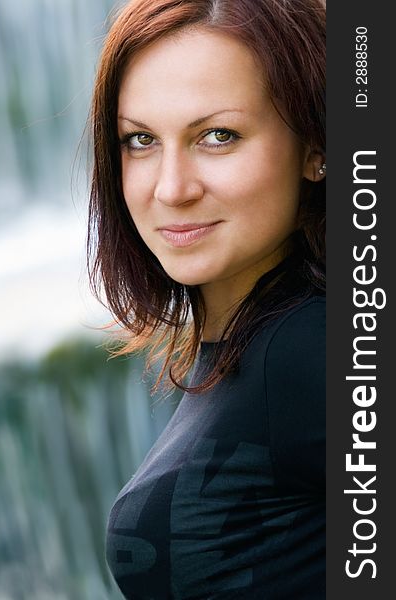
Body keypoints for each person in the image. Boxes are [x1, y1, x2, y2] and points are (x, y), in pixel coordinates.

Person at [86, 0, 326, 597]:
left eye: (218, 136)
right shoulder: (257, 337)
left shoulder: (309, 346)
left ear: (317, 149)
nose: (171, 188)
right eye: (139, 140)